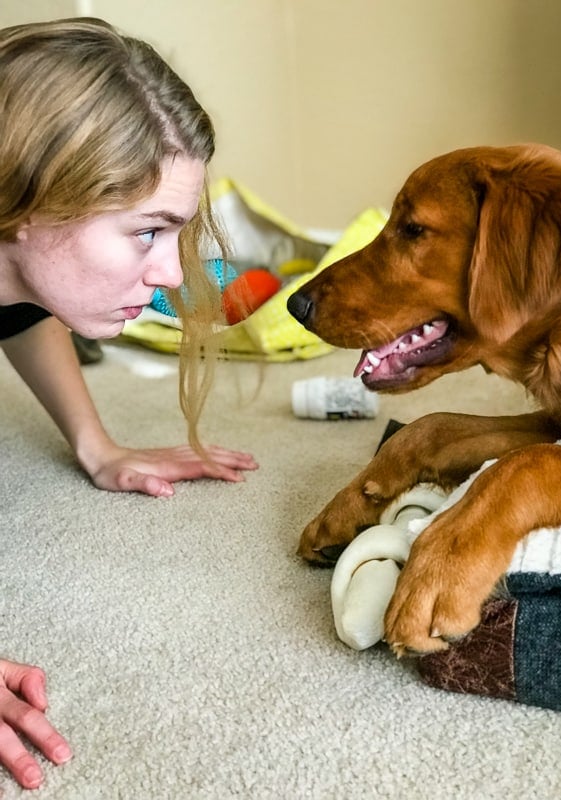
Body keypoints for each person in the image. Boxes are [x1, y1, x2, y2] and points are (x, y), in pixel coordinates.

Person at [0, 17, 258, 789]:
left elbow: (18, 305)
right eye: (147, 232)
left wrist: (96, 443)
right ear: (28, 203)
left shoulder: (16, 251)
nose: (174, 276)